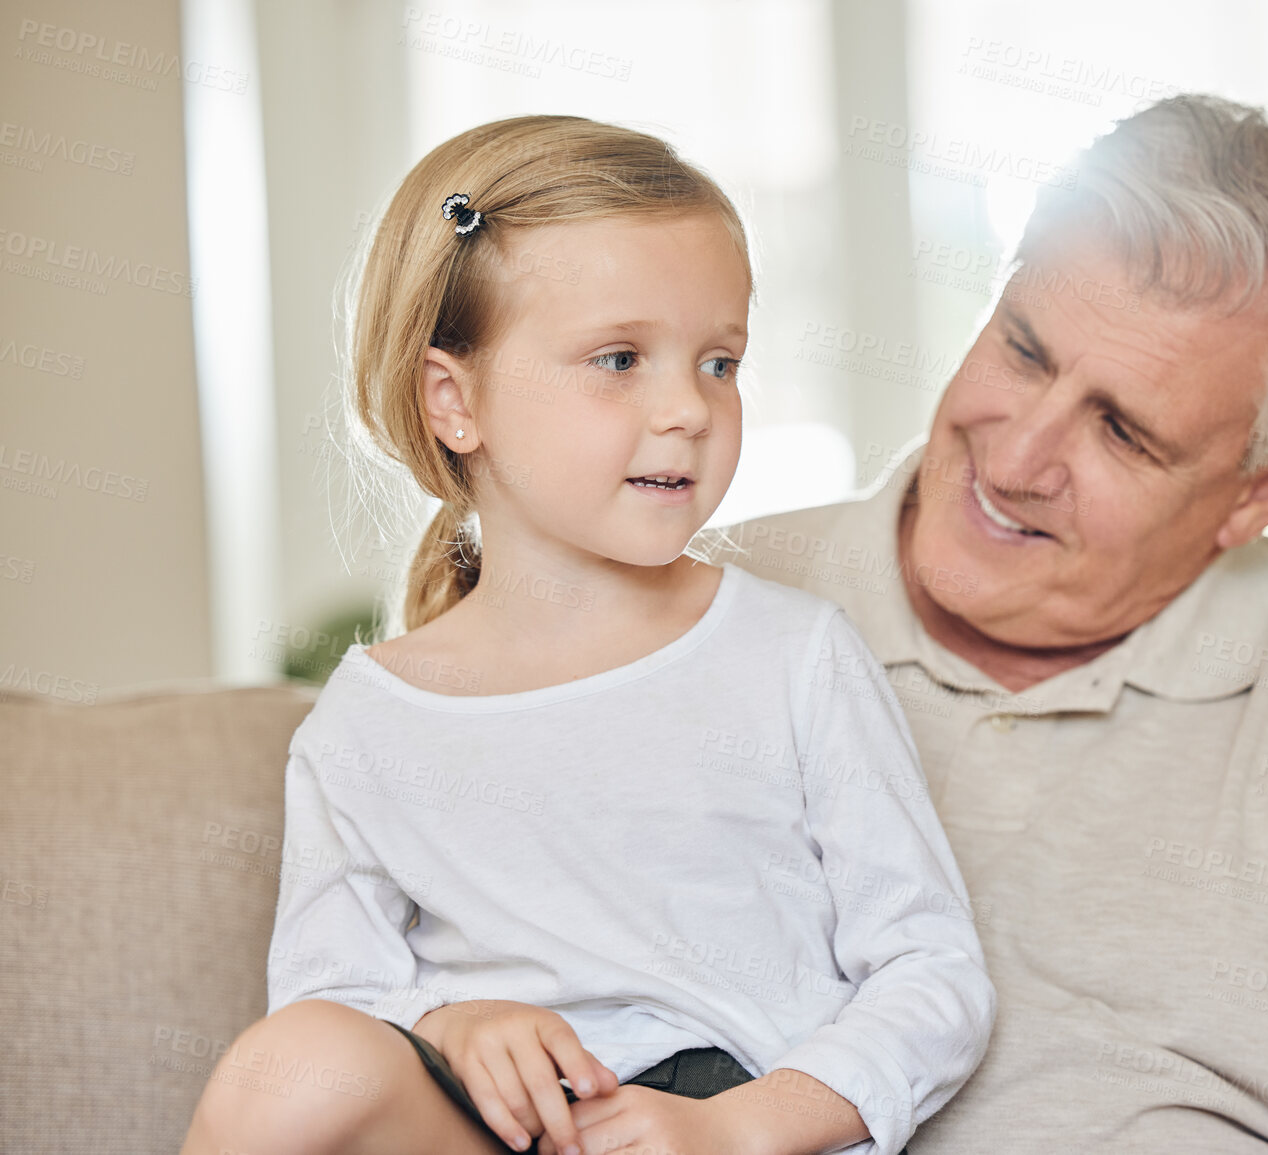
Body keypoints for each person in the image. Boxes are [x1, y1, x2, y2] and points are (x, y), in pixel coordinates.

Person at [724, 94, 1268, 1154]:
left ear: (1263, 491)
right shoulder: (703, 596)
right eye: (1024, 351)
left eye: (1122, 431)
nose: (1015, 461)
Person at [179, 115, 993, 1155]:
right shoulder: (370, 721)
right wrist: (448, 1020)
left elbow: (933, 973)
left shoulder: (792, 657)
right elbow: (331, 991)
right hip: (489, 1127)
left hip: (728, 1120)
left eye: (719, 363)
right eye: (620, 358)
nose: (690, 410)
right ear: (453, 400)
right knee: (284, 1070)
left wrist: (737, 1130)